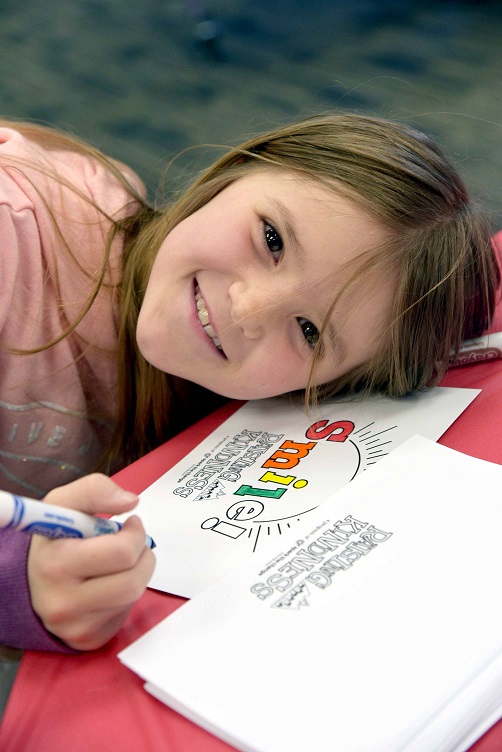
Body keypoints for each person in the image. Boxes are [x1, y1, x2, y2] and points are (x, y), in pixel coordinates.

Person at [0, 113, 500, 653]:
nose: (248, 309)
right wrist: (12, 582)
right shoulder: (15, 238)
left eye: (309, 332)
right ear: (239, 170)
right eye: (272, 239)